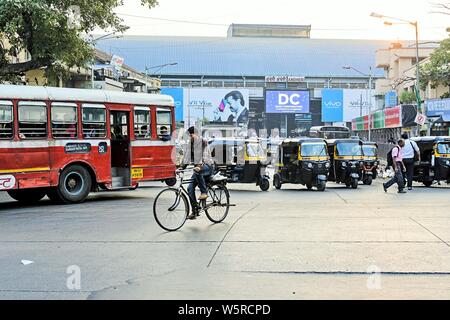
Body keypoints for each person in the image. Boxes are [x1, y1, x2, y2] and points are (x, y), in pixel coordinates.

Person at [182, 126, 214, 220]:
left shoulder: (203, 142)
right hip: (198, 169)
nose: (190, 137)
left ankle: (204, 192)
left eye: (191, 135)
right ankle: (195, 209)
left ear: (195, 134)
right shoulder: (190, 144)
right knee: (189, 188)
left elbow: (203, 157)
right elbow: (187, 158)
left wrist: (199, 166)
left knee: (197, 171)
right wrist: (180, 167)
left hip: (207, 166)